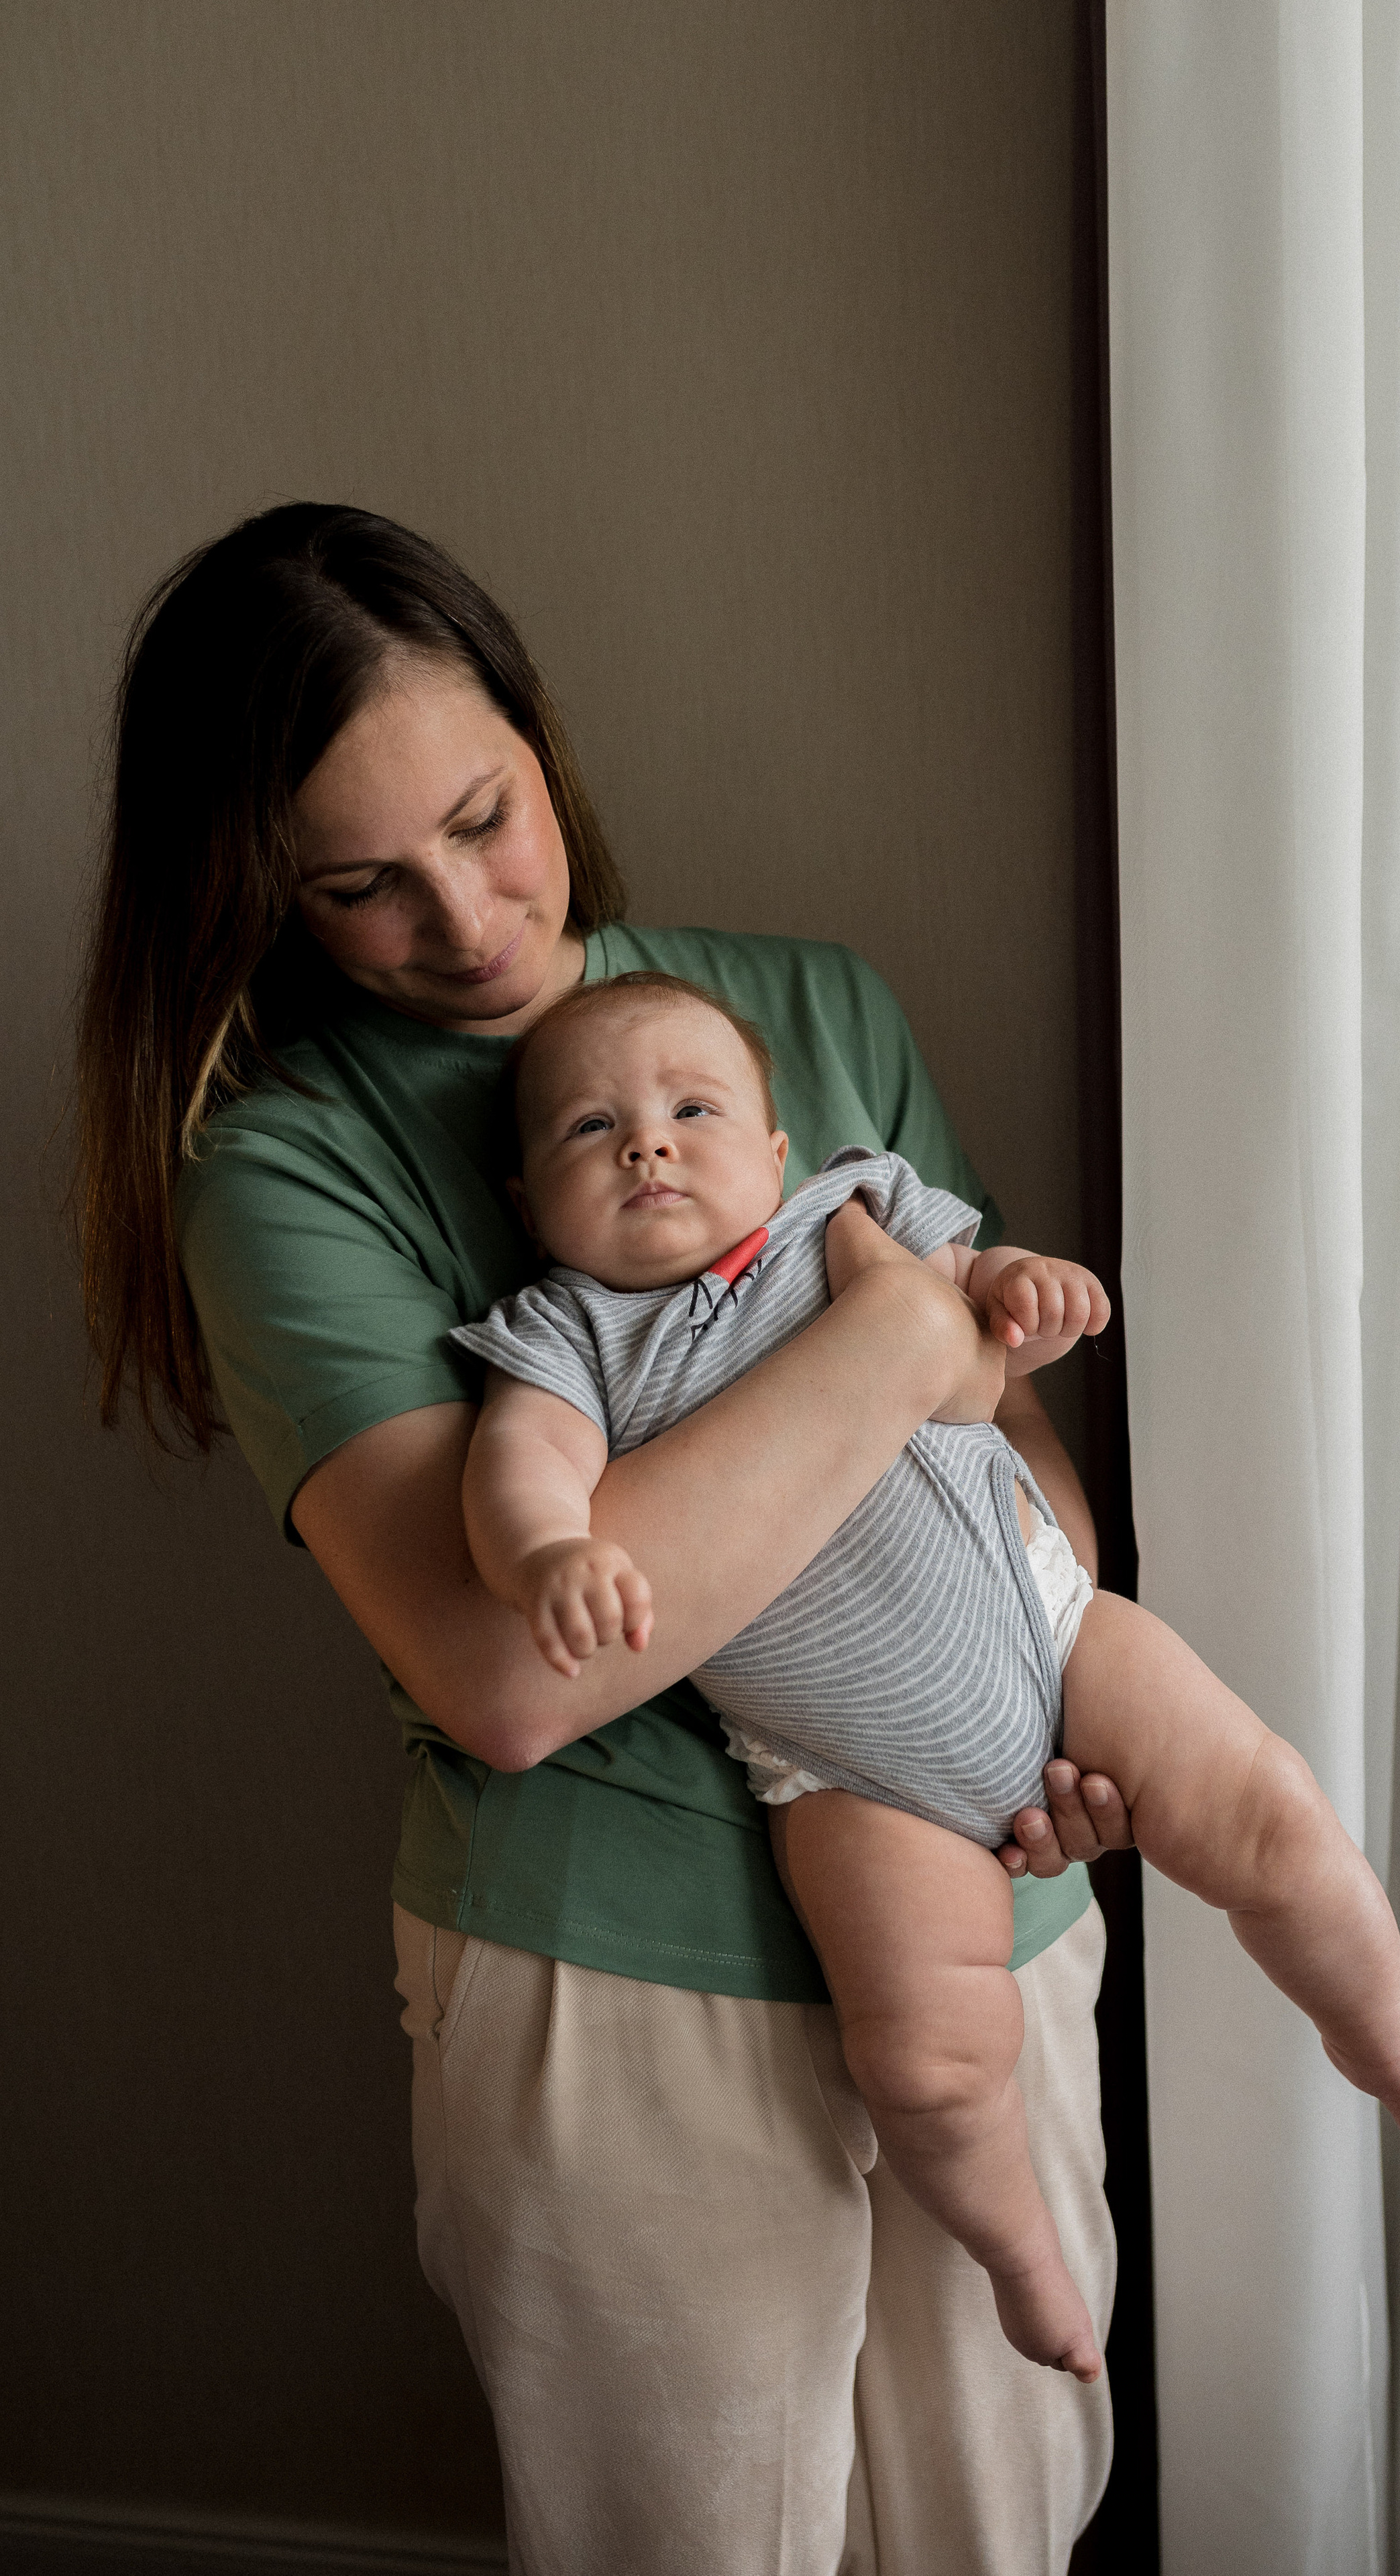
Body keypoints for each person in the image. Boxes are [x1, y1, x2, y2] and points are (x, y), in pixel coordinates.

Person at [74, 502, 1133, 2575]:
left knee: (1004, 2531)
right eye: (361, 887)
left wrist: (1053, 1700)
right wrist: (892, 1334)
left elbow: (1018, 1468)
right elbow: (506, 1670)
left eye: (486, 819)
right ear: (255, 890)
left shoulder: (818, 1005)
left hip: (984, 1893)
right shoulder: (282, 1167)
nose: (466, 920)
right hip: (619, 1977)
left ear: (538, 738)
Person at [451, 972, 1400, 2390]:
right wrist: (546, 1553)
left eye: (694, 1109)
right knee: (928, 2059)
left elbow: (983, 1312)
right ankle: (1019, 2254)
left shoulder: (844, 1213)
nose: (648, 1144)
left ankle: (1389, 2042)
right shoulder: (569, 1336)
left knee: (1272, 1814)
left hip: (1056, 1634)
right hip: (847, 1778)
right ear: (526, 1202)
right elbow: (521, 1468)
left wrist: (1020, 1292)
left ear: (774, 1151)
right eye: (591, 1127)